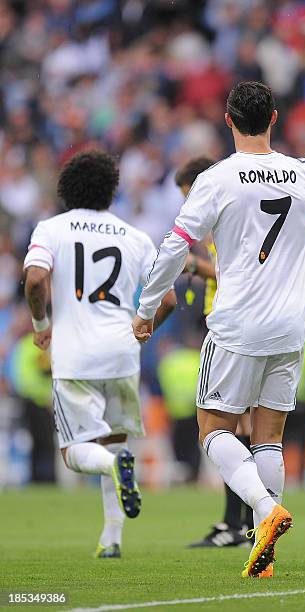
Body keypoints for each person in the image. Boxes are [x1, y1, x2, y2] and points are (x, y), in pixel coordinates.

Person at [132, 80, 305, 577]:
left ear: (228, 121)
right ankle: (266, 549)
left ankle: (265, 510)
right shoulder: (299, 172)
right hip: (289, 323)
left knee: (212, 428)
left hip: (237, 321)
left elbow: (176, 245)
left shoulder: (217, 178)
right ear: (275, 119)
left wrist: (147, 307)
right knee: (270, 438)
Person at [23, 151, 177, 558]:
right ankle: (112, 540)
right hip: (122, 352)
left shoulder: (51, 229)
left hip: (75, 354)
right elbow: (170, 299)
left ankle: (112, 477)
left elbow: (36, 278)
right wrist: (144, 328)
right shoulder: (135, 236)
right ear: (111, 189)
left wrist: (41, 328)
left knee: (75, 452)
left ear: (65, 188)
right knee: (115, 442)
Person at [175, 158, 253, 548]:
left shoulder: (225, 224)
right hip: (233, 328)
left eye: (190, 196)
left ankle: (239, 526)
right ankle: (239, 525)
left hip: (233, 333)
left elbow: (235, 276)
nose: (189, 206)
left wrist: (199, 268)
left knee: (227, 429)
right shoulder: (218, 231)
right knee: (240, 429)